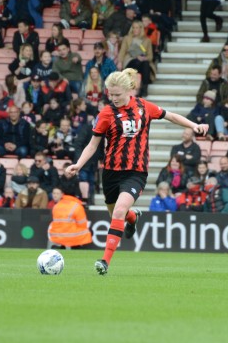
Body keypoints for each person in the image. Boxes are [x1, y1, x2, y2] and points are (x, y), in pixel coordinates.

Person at [65, 69, 208, 275]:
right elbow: (93, 144)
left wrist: (194, 125)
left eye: (117, 94)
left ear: (128, 90)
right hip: (111, 172)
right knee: (117, 213)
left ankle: (104, 261)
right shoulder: (105, 114)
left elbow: (171, 116)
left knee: (119, 211)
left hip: (136, 171)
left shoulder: (143, 107)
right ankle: (133, 218)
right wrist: (78, 164)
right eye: (110, 94)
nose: (113, 98)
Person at [48, 185, 93, 249]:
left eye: (57, 193)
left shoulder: (56, 206)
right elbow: (83, 224)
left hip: (57, 236)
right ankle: (77, 247)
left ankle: (61, 247)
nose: (55, 195)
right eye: (54, 193)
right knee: (89, 230)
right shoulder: (77, 206)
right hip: (72, 236)